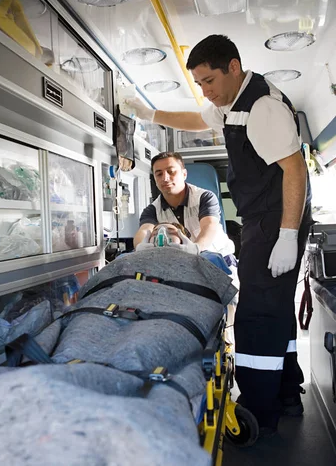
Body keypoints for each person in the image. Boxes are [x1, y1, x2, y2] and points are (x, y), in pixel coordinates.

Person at [127, 34, 312, 435]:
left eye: (209, 81)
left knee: (256, 315)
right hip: (264, 218)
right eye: (199, 84)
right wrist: (150, 112)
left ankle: (258, 410)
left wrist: (287, 235)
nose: (206, 92)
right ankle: (286, 393)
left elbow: (295, 171)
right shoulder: (230, 104)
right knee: (276, 310)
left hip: (275, 217)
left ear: (233, 67)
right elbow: (196, 119)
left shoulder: (262, 108)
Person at [133, 151, 235, 262]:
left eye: (171, 171)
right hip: (182, 264)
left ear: (184, 174)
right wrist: (140, 246)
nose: (165, 178)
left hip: (219, 260)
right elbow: (144, 231)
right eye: (159, 174)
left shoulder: (204, 197)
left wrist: (196, 248)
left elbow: (209, 226)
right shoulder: (152, 210)